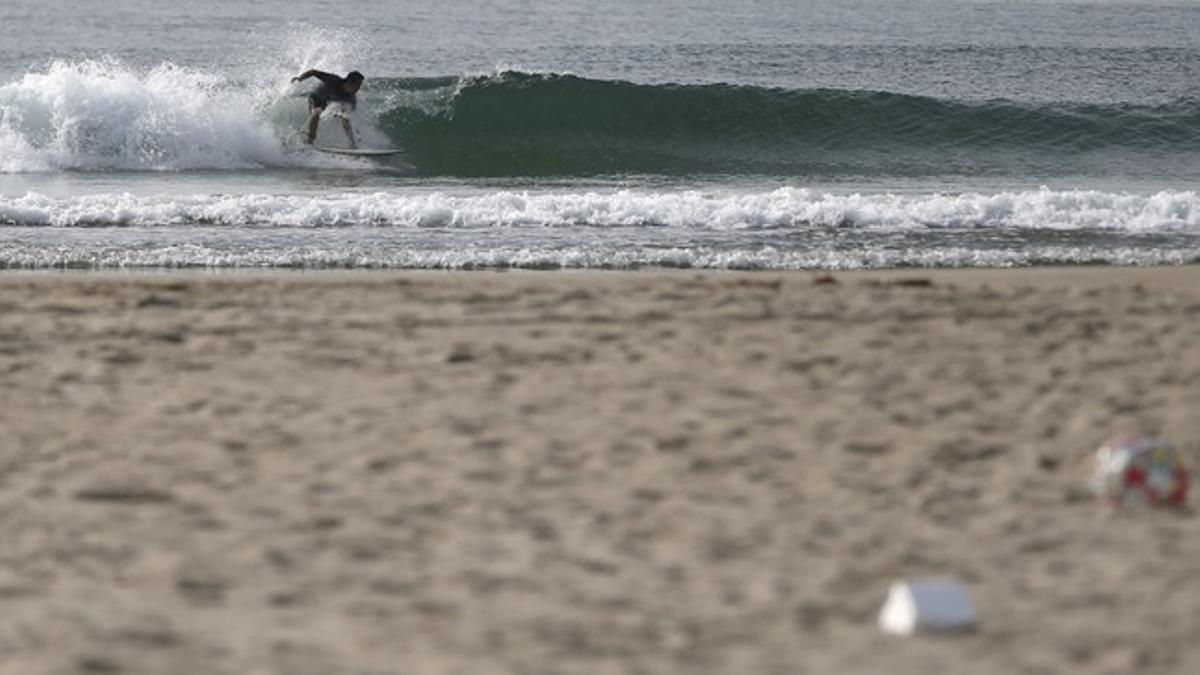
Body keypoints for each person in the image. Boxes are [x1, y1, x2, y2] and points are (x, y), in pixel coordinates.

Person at [291, 70, 364, 147]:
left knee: (345, 117)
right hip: (316, 99)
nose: (358, 89)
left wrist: (356, 131)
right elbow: (313, 72)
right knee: (316, 113)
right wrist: (299, 79)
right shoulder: (333, 80)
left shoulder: (350, 97)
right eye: (358, 86)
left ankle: (352, 143)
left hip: (328, 103)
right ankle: (310, 141)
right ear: (350, 83)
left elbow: (351, 116)